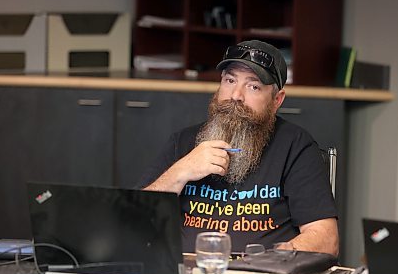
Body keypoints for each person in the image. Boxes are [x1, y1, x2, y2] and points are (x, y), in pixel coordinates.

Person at [138, 40, 339, 256]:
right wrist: (180, 173)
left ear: (276, 100)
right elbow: (132, 222)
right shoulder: (184, 142)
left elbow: (326, 239)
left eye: (253, 86)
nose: (236, 96)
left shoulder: (295, 145)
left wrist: (266, 264)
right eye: (230, 80)